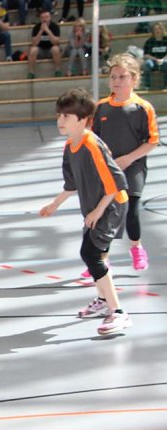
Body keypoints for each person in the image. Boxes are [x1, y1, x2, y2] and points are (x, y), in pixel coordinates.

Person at [39, 88, 132, 336]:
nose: (60, 121)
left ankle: (118, 313)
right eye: (59, 115)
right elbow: (72, 184)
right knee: (95, 254)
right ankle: (103, 301)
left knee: (91, 253)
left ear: (83, 120)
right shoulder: (70, 146)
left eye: (66, 117)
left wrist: (98, 211)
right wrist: (54, 204)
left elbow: (115, 181)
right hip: (96, 207)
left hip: (111, 205)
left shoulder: (92, 145)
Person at [91, 54, 158, 273]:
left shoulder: (143, 107)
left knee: (130, 210)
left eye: (122, 76)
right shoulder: (101, 107)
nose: (117, 81)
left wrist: (129, 158)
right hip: (108, 168)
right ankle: (102, 258)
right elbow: (94, 139)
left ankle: (136, 248)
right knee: (108, 212)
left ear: (134, 79)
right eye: (113, 77)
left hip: (134, 166)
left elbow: (152, 141)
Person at [27, 9, 62, 79]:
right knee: (33, 50)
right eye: (43, 17)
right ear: (40, 18)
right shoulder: (36, 27)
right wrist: (41, 31)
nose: (45, 19)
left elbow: (56, 42)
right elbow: (34, 43)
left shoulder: (55, 26)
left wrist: (48, 31)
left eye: (46, 17)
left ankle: (58, 70)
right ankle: (31, 72)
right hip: (40, 50)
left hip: (51, 50)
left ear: (50, 17)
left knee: (56, 49)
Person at [142, 22, 167, 88]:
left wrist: (163, 59)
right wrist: (156, 59)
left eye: (159, 29)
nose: (157, 31)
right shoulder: (149, 41)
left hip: (164, 60)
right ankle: (147, 86)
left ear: (162, 30)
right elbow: (145, 55)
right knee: (147, 64)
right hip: (153, 61)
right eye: (155, 29)